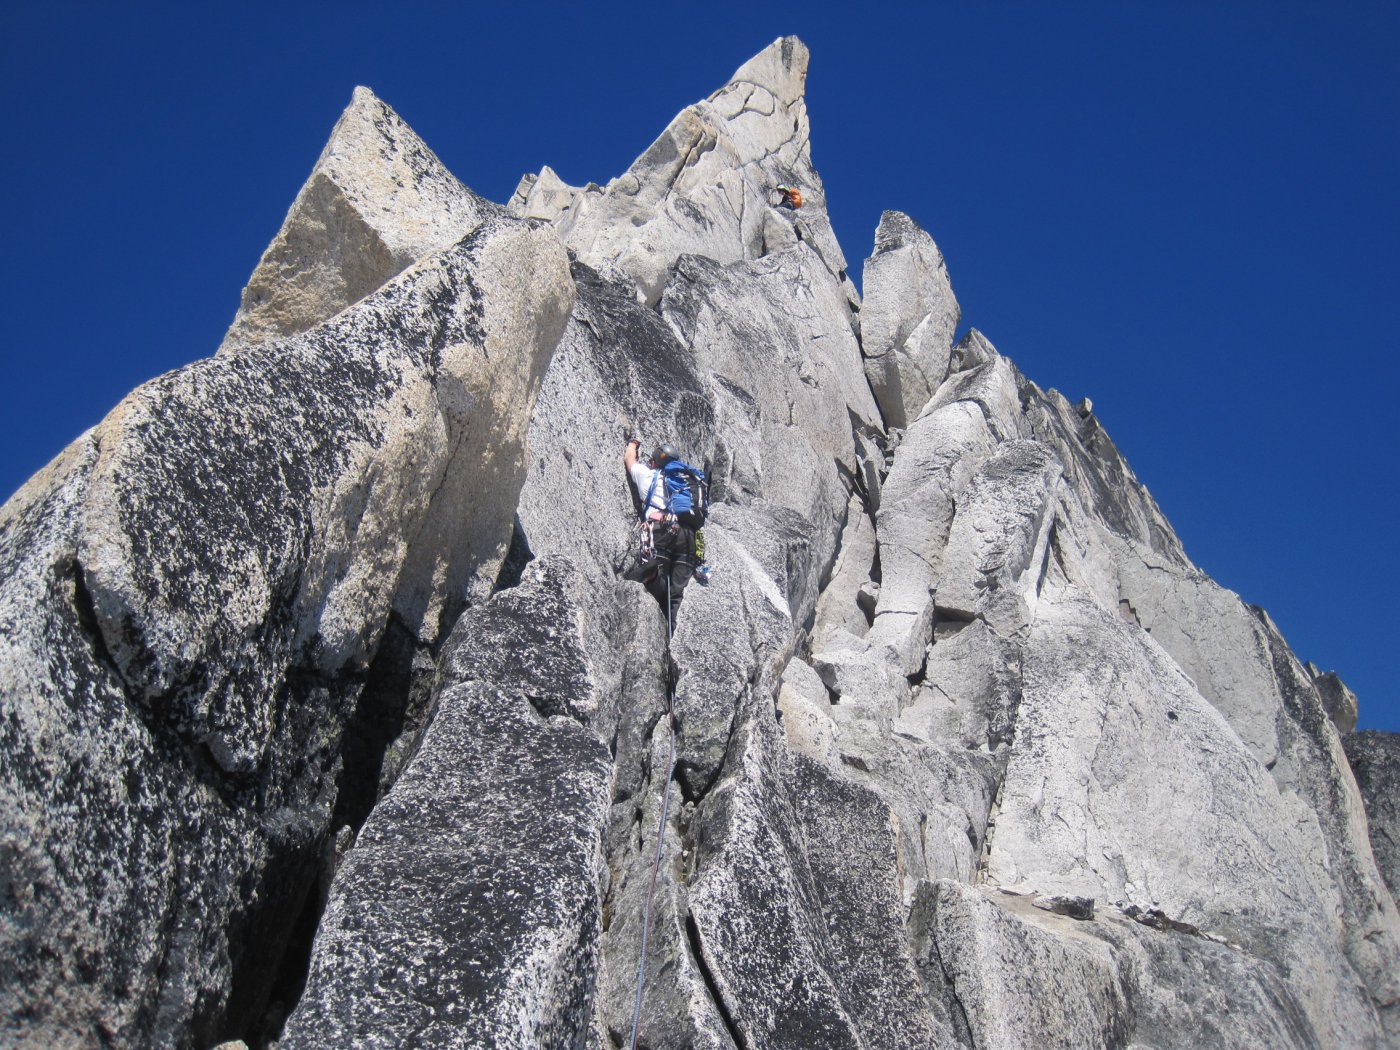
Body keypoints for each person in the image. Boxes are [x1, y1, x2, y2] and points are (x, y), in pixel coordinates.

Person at [624, 439, 698, 628]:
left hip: (661, 528)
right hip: (689, 535)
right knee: (676, 595)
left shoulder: (648, 475)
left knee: (659, 582)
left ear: (655, 461)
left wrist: (633, 444)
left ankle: (654, 574)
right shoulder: (685, 485)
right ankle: (672, 641)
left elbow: (629, 460)